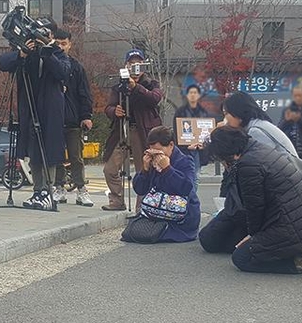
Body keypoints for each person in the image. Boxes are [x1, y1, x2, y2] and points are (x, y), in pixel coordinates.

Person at [202, 126, 302, 274]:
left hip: (289, 226)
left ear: (229, 154)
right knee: (242, 245)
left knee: (241, 258)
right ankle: (295, 251)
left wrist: (253, 236)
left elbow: (255, 207)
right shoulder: (258, 149)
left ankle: (296, 262)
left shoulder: (248, 165)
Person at [0, 20, 70, 210]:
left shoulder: (57, 53)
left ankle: (47, 190)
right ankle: (38, 191)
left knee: (50, 149)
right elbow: (3, 63)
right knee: (34, 150)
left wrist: (47, 53)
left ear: (52, 36)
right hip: (30, 108)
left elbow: (62, 72)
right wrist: (22, 53)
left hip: (51, 110)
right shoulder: (27, 51)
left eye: (46, 34)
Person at [102, 49, 163, 211]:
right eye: (131, 63)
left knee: (143, 169)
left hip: (143, 132)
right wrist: (114, 111)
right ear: (126, 65)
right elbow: (108, 107)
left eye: (138, 63)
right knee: (110, 168)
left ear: (143, 65)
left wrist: (135, 86)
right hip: (122, 130)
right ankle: (116, 200)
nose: (135, 66)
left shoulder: (151, 84)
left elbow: (154, 98)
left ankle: (142, 206)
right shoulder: (118, 86)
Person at [131, 126, 200, 242]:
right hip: (156, 212)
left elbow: (187, 188)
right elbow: (139, 190)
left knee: (144, 235)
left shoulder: (185, 161)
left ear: (171, 145)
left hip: (180, 216)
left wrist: (167, 169)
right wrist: (145, 170)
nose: (155, 154)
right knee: (132, 232)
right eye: (151, 150)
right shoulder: (152, 161)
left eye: (159, 150)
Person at [52, 29, 94, 207]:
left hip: (73, 119)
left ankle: (81, 189)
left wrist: (86, 116)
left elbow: (84, 93)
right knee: (57, 157)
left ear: (70, 44)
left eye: (64, 43)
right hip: (53, 119)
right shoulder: (49, 64)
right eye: (58, 43)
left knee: (76, 157)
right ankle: (59, 188)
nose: (61, 47)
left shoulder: (77, 67)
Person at [173, 84, 211, 194]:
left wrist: (204, 144)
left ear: (199, 95)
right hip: (185, 149)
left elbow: (207, 131)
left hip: (199, 150)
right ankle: (186, 199)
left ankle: (193, 199)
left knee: (196, 177)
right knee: (185, 176)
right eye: (191, 93)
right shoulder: (180, 112)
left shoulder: (203, 112)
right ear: (187, 95)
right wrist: (185, 145)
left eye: (195, 93)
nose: (193, 95)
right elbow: (177, 132)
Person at [278, 86, 302, 164]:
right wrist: (286, 121)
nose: (297, 98)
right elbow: (279, 130)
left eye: (300, 95)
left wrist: (299, 120)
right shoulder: (287, 110)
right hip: (290, 150)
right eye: (295, 96)